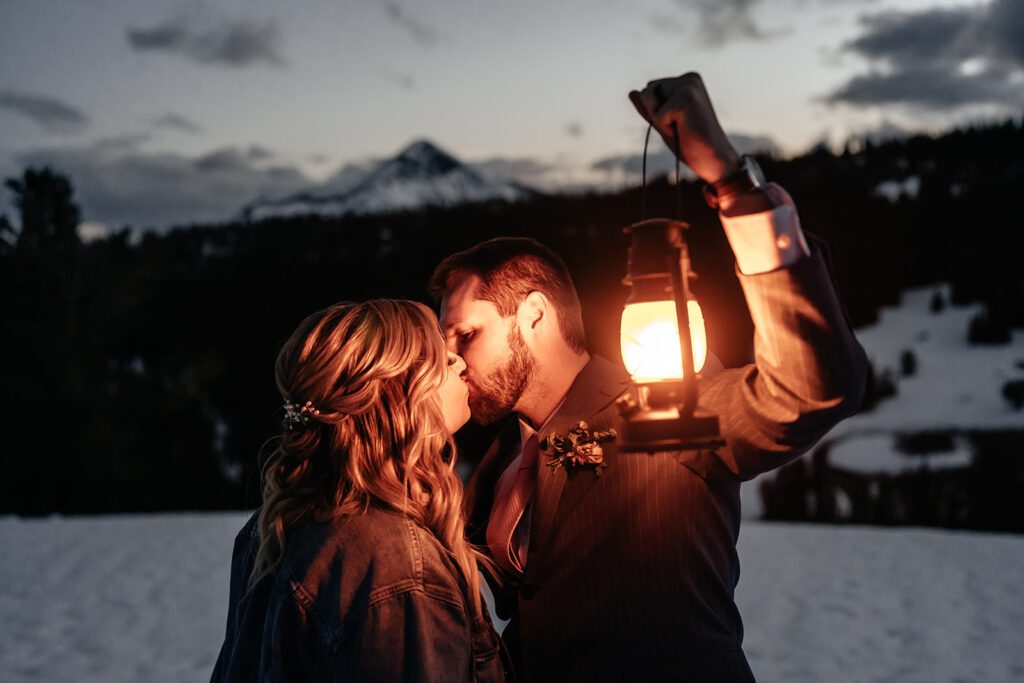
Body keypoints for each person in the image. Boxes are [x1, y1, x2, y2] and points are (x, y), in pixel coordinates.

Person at [429, 72, 868, 681]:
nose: (448, 358)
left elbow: (816, 387)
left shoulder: (665, 402)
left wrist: (733, 184)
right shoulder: (493, 466)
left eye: (466, 335)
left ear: (533, 315)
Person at [210, 300, 507, 682]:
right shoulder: (395, 566)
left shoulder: (272, 526)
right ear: (403, 397)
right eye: (443, 360)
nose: (461, 364)